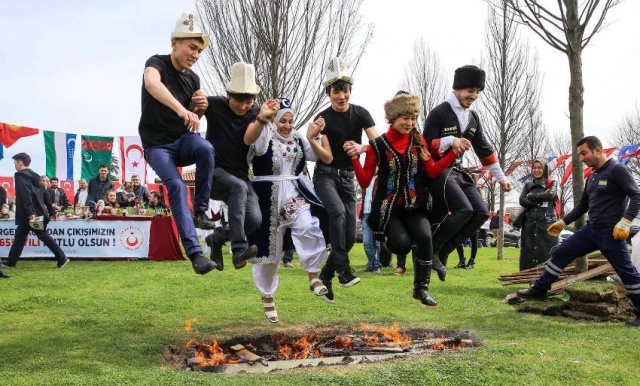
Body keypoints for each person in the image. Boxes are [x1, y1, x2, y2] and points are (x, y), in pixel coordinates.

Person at [351, 93, 465, 306]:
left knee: (425, 237)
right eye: (405, 118)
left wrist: (452, 155)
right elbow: (365, 181)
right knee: (401, 246)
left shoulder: (418, 140)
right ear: (393, 118)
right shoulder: (378, 145)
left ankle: (421, 289)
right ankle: (386, 241)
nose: (410, 123)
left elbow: (431, 170)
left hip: (415, 204)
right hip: (389, 207)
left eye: (413, 118)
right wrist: (355, 159)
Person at [517, 136, 640, 327]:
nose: (581, 158)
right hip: (591, 230)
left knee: (627, 273)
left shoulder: (618, 170)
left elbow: (636, 194)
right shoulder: (592, 176)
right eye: (579, 154)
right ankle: (540, 290)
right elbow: (583, 205)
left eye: (584, 153)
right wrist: (563, 222)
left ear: (598, 150)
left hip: (611, 233)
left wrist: (625, 221)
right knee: (561, 252)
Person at [138, 11, 217, 275]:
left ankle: (202, 212)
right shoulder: (156, 63)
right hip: (157, 147)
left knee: (205, 147)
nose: (195, 55)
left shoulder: (193, 79)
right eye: (191, 48)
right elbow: (151, 84)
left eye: (199, 51)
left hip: (182, 141)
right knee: (175, 184)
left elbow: (193, 120)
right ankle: (195, 254)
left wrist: (199, 109)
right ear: (175, 43)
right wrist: (181, 109)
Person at [245, 99, 332, 321]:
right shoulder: (264, 135)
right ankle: (267, 297)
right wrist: (264, 121)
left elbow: (314, 156)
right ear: (274, 119)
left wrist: (315, 134)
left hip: (293, 192)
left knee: (308, 225)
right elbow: (253, 148)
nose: (287, 125)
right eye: (282, 120)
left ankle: (313, 274)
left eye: (291, 121)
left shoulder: (297, 139)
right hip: (267, 195)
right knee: (270, 253)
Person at [423, 65, 512, 281]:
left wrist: (501, 178)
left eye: (477, 92)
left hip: (459, 172)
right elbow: (424, 146)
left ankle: (444, 251)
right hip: (438, 171)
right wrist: (449, 141)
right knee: (463, 209)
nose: (473, 96)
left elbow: (485, 151)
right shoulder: (439, 113)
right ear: (457, 89)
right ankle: (431, 250)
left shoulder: (473, 118)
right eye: (469, 91)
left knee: (481, 212)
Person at [203, 61, 280, 270]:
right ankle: (238, 250)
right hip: (213, 174)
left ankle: (217, 238)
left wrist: (263, 118)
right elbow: (189, 109)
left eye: (249, 100)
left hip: (240, 176)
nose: (243, 105)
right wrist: (193, 106)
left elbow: (249, 140)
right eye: (238, 99)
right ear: (228, 94)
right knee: (237, 186)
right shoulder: (214, 104)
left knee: (254, 220)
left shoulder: (255, 113)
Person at [314, 57, 379, 300]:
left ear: (350, 91)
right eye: (336, 91)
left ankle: (327, 276)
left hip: (348, 178)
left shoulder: (361, 114)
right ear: (329, 93)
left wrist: (362, 149)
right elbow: (328, 158)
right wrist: (313, 137)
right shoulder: (323, 118)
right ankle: (343, 269)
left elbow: (378, 144)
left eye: (345, 90)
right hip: (325, 175)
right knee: (337, 213)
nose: (341, 95)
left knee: (350, 236)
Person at [4, 153, 69, 269]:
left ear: (20, 162)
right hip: (38, 213)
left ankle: (62, 257)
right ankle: (11, 261)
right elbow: (45, 195)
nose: (14, 165)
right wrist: (51, 211)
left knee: (42, 235)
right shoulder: (37, 176)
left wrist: (30, 213)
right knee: (20, 236)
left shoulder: (20, 176)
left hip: (29, 214)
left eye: (15, 162)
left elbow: (25, 195)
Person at [517, 158, 559, 270]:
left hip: (546, 221)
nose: (536, 170)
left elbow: (550, 194)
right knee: (529, 249)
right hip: (530, 221)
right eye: (534, 168)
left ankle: (546, 279)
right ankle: (530, 280)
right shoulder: (527, 184)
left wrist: (531, 197)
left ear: (545, 169)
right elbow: (522, 200)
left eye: (539, 168)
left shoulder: (552, 183)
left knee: (546, 249)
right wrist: (538, 202)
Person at [361, 175, 382, 274]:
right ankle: (371, 263)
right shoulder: (365, 181)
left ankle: (377, 265)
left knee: (378, 243)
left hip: (377, 214)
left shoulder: (380, 179)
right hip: (365, 214)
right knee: (367, 243)